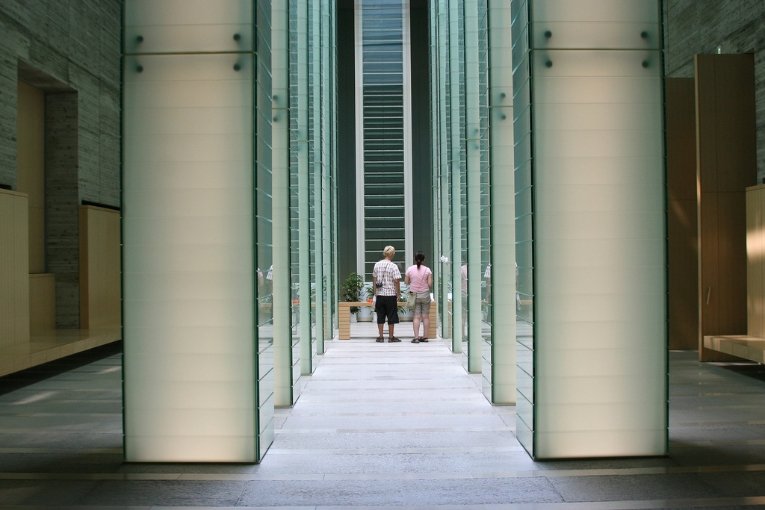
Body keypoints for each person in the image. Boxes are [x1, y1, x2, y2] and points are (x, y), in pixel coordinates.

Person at [372, 245, 401, 343]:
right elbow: (397, 281)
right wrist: (398, 293)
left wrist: (375, 292)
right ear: (392, 254)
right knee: (391, 316)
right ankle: (391, 337)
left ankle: (380, 337)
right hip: (390, 295)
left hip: (380, 295)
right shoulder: (394, 266)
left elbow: (374, 279)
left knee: (380, 316)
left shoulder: (377, 264)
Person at [405, 252, 433, 343]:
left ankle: (416, 337)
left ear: (415, 259)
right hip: (425, 295)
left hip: (414, 295)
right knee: (425, 316)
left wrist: (413, 282)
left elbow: (406, 281)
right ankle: (425, 337)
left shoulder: (410, 269)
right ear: (423, 260)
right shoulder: (427, 270)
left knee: (416, 316)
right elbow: (429, 284)